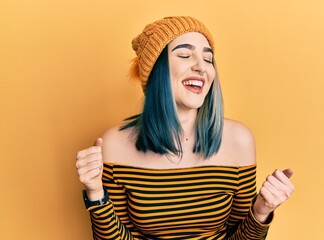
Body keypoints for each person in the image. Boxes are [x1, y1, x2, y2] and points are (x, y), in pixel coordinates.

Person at [76, 16, 294, 240]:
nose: (201, 67)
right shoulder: (115, 144)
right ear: (155, 71)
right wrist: (96, 193)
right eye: (184, 55)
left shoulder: (239, 140)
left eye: (208, 59)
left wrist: (261, 211)